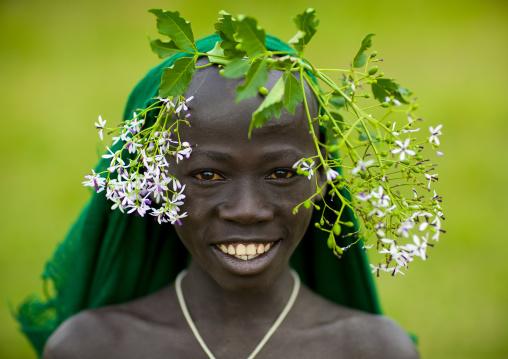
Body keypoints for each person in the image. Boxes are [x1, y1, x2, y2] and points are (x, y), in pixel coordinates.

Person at [18, 35, 418, 359]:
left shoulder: (373, 350)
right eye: (208, 174)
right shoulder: (93, 349)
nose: (247, 211)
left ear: (324, 178)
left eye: (281, 173)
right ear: (151, 182)